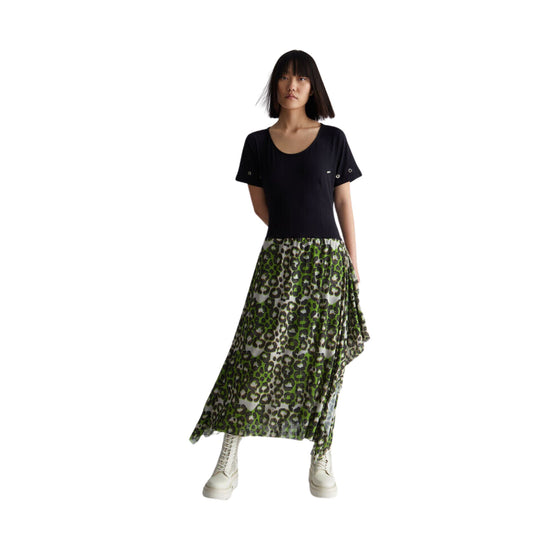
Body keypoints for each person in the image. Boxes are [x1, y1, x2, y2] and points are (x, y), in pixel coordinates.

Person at [189, 49, 370, 499]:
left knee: (323, 361)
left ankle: (321, 455)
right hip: (278, 262)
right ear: (275, 86)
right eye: (285, 78)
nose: (292, 86)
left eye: (301, 79)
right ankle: (229, 457)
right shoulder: (257, 143)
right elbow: (261, 207)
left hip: (328, 263)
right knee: (253, 355)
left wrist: (352, 261)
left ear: (313, 87)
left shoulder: (333, 139)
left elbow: (343, 202)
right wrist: (291, 241)